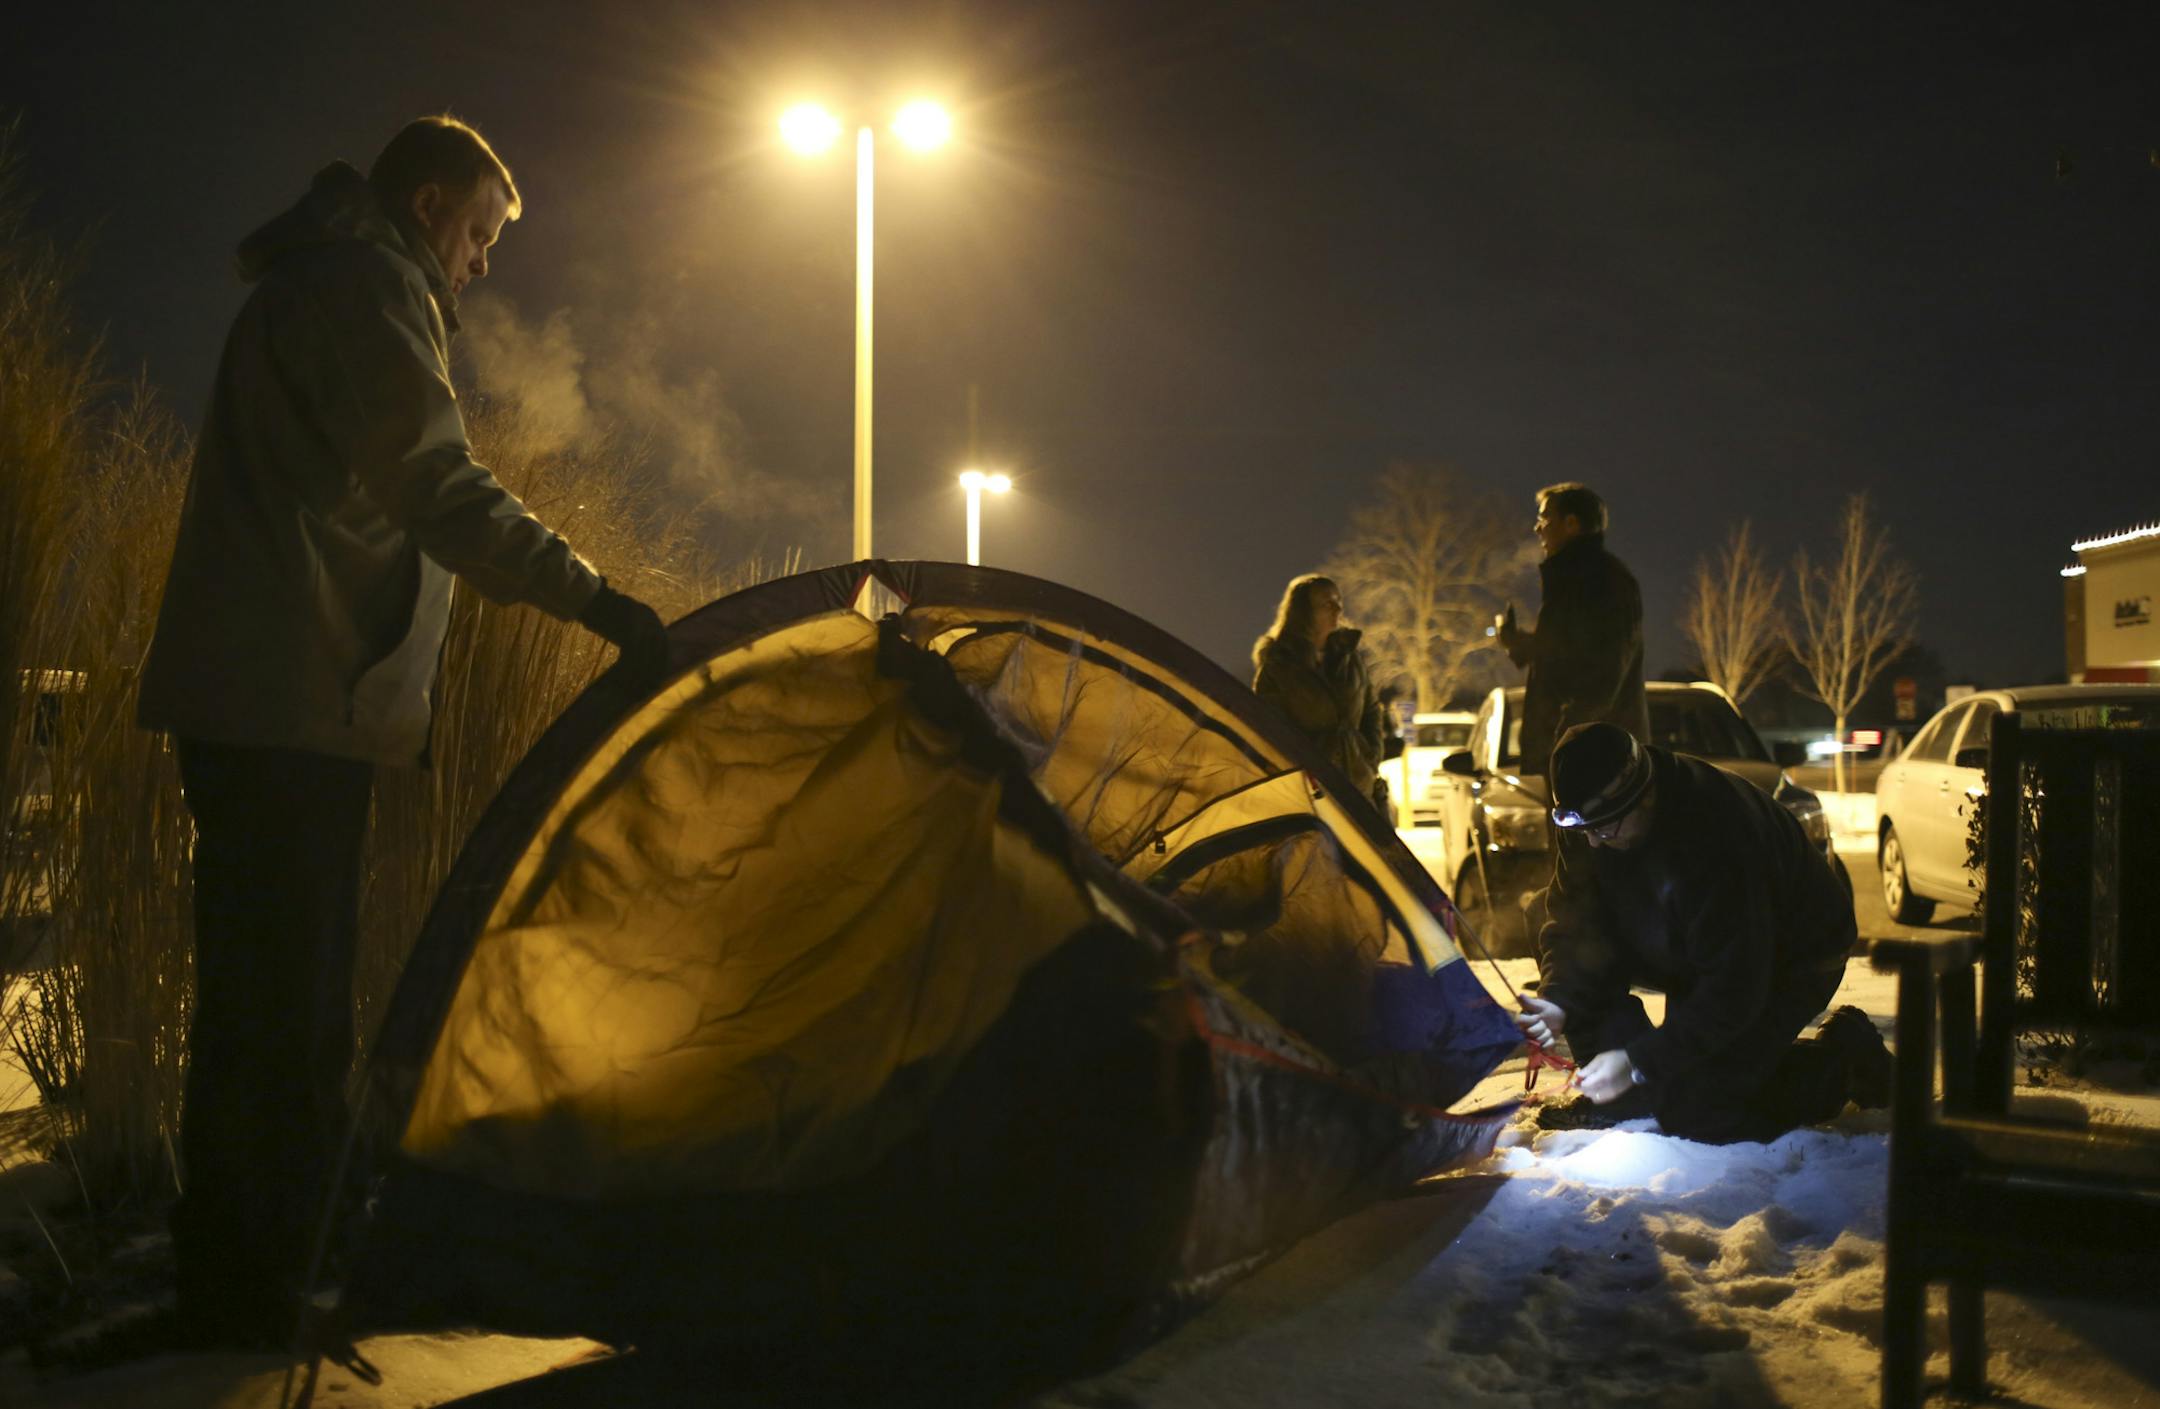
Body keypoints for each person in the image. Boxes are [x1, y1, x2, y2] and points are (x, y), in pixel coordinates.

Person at [136, 115, 670, 1345]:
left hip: (278, 699)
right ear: (431, 206)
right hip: (292, 705)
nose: (481, 265)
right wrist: (594, 598)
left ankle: (242, 1279)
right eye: (479, 234)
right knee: (289, 1015)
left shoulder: (328, 278)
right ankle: (260, 1298)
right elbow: (436, 486)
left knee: (266, 1007)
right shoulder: (370, 286)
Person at [1511, 723, 1890, 1144]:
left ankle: (1842, 1061)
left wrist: (1639, 1060)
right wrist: (1561, 1000)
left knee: (1699, 1111)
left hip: (1788, 955)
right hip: (1687, 939)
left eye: (1605, 828)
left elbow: (1734, 990)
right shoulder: (1593, 821)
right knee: (1540, 912)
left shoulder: (1717, 831)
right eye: (1584, 829)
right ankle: (1626, 1100)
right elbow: (1571, 918)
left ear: (1644, 794)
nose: (1594, 843)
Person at [1495, 483, 1647, 776]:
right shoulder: (1573, 579)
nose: (1537, 529)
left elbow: (1605, 671)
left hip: (1597, 760)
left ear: (1572, 524)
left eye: (1545, 519)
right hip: (1578, 755)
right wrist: (1518, 643)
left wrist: (1566, 738)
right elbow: (1566, 652)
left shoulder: (1603, 580)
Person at [1252, 574, 1384, 802]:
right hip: (1310, 791)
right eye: (1327, 603)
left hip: (1358, 786)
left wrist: (1370, 756)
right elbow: (1269, 728)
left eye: (1339, 601)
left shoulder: (1350, 658)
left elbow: (1371, 711)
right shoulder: (1280, 665)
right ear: (1304, 613)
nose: (1337, 609)